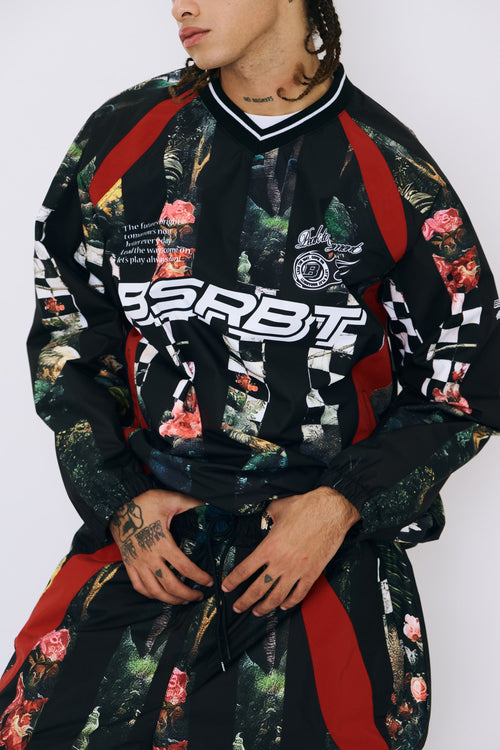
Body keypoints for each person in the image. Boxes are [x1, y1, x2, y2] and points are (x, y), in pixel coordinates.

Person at [0, 0, 499, 748]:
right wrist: (119, 500)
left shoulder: (389, 167)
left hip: (312, 561)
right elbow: (68, 331)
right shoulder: (125, 138)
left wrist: (341, 506)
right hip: (152, 546)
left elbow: (466, 381)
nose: (181, 4)